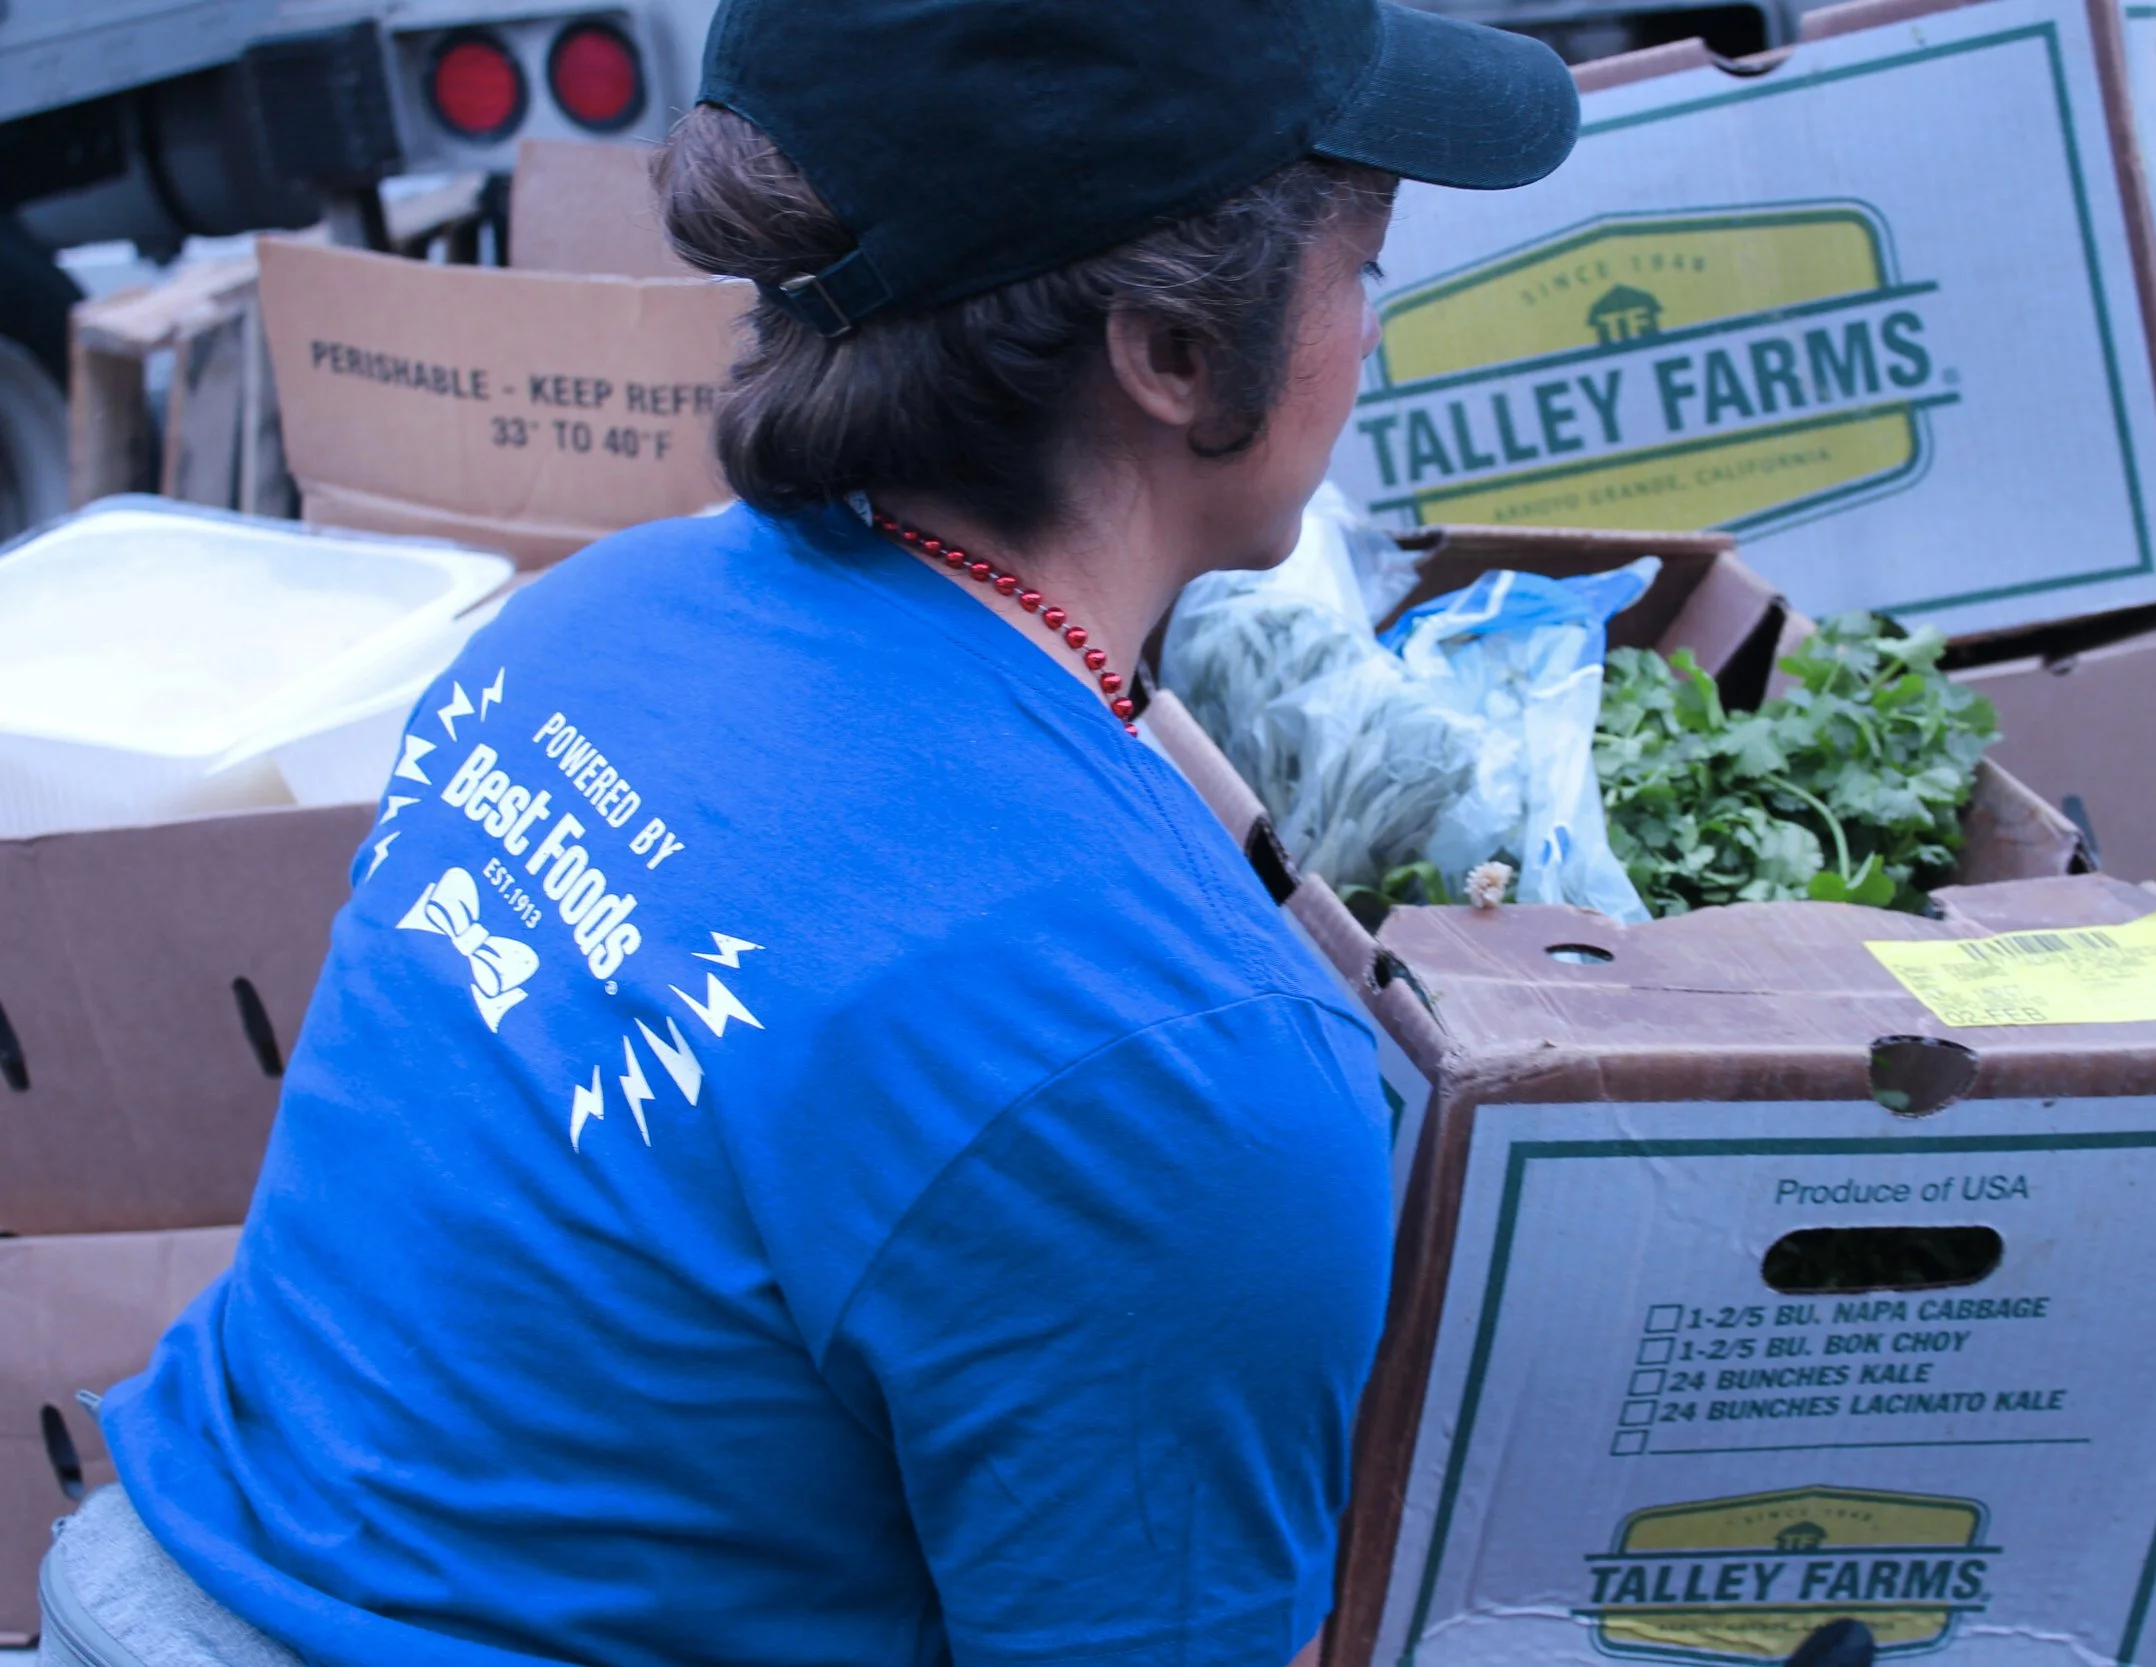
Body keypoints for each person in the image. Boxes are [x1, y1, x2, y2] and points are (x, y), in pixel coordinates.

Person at [35, 1, 1580, 1661]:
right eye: (1362, 270)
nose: (1367, 329)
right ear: (1177, 352)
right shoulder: (1178, 1061)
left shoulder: (595, 620)